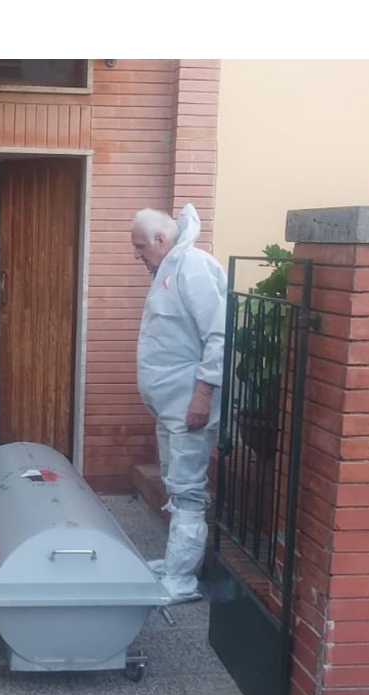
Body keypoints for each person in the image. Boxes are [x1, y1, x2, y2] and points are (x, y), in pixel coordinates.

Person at [131, 203, 226, 603]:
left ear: (160, 239)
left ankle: (182, 579)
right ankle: (175, 565)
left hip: (189, 405)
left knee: (186, 489)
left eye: (140, 247)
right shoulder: (170, 269)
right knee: (175, 481)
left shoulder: (192, 266)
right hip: (172, 407)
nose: (137, 255)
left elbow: (219, 334)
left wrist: (202, 394)